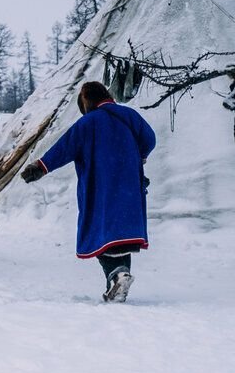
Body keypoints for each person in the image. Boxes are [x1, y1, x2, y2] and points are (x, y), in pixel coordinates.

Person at [21, 81, 155, 303]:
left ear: (86, 102)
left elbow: (64, 148)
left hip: (100, 187)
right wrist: (137, 158)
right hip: (130, 185)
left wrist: (40, 167)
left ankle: (117, 276)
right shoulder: (129, 116)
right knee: (124, 235)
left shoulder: (87, 123)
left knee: (100, 232)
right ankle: (119, 281)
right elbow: (149, 138)